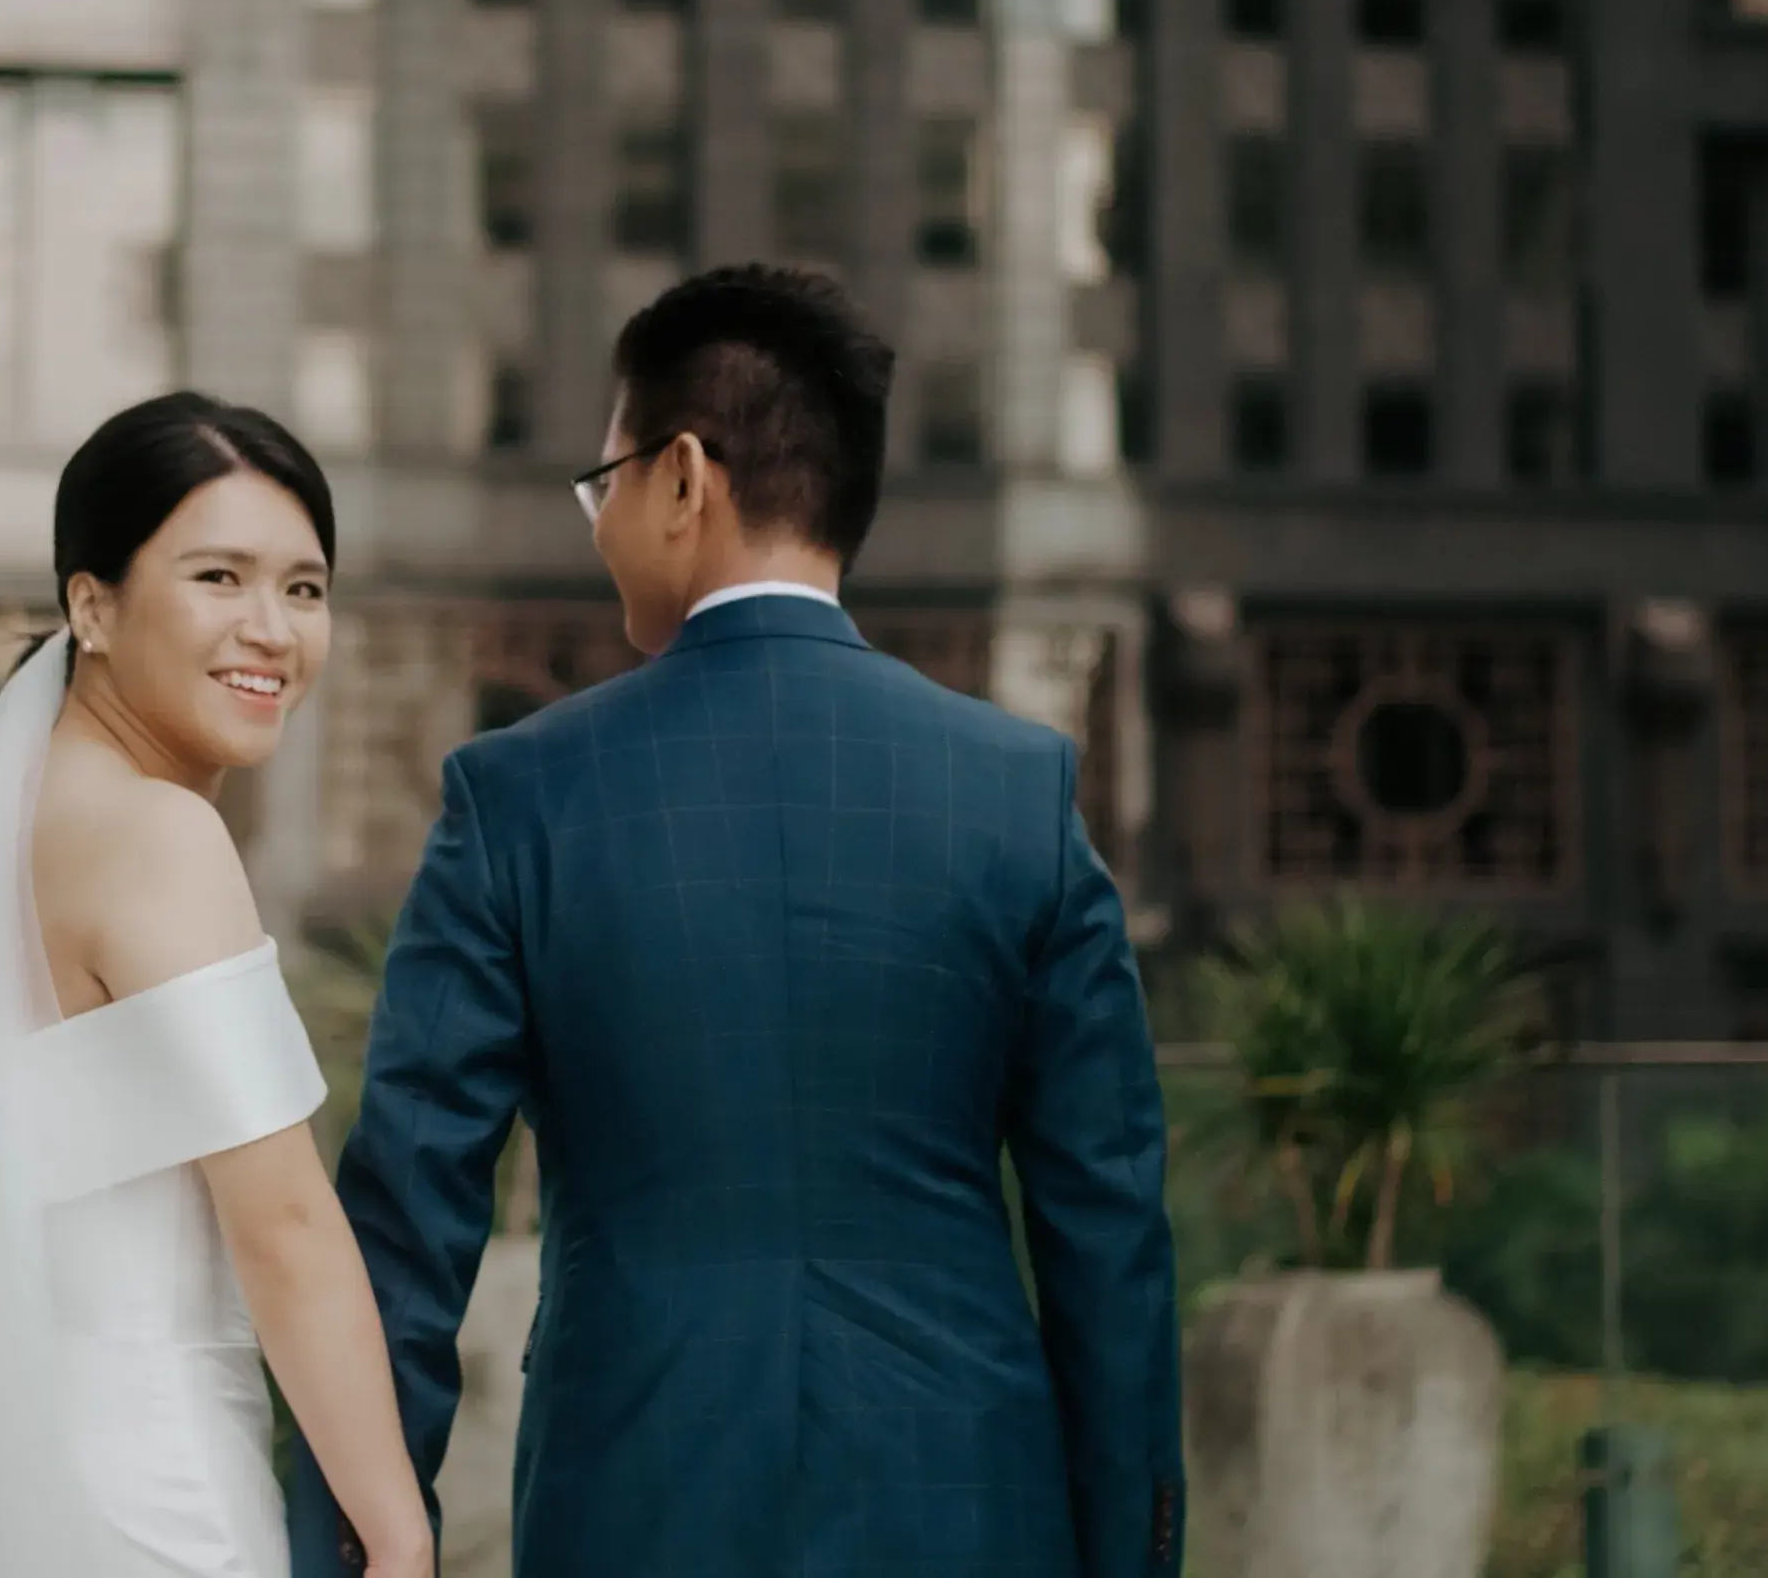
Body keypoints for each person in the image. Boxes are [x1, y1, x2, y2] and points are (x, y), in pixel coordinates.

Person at [286, 266, 1186, 1578]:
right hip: (969, 1515)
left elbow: (409, 1228)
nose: (599, 528)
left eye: (608, 484)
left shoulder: (521, 796)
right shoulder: (1018, 795)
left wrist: (347, 1549)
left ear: (686, 478)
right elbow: (1110, 1239)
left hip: (636, 1507)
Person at [0, 393, 432, 1578]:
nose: (273, 628)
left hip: (5, 1492)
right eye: (220, 577)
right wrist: (398, 1526)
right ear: (91, 604)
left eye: (304, 588)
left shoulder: (9, 834)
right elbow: (283, 1226)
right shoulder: (158, 836)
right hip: (151, 1497)